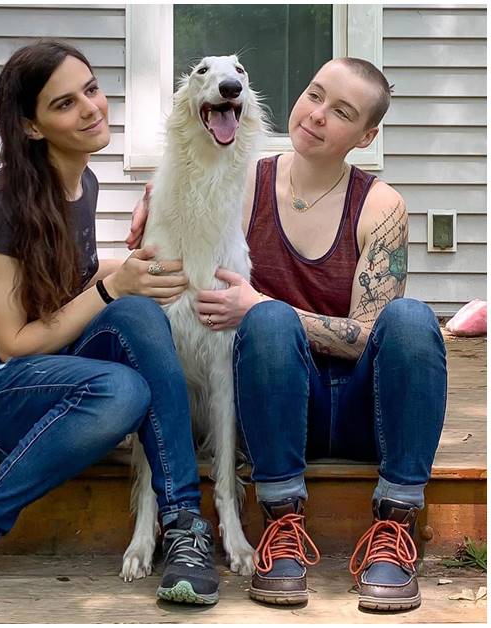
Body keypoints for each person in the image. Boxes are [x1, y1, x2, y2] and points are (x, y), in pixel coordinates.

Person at [128, 57, 446, 611]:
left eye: (341, 111)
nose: (318, 115)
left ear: (367, 135)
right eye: (315, 94)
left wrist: (260, 304)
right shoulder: (242, 180)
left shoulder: (380, 206)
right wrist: (152, 202)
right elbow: (183, 189)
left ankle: (395, 528)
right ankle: (282, 525)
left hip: (355, 412)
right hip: (272, 411)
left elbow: (375, 335)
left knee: (411, 318)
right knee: (268, 323)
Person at [0, 40, 220, 607]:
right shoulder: (0, 206)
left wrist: (137, 268)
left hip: (52, 382)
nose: (90, 108)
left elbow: (73, 288)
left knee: (136, 313)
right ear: (31, 127)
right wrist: (111, 285)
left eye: (92, 90)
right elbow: (14, 343)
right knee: (120, 384)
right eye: (64, 104)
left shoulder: (83, 184)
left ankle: (183, 526)